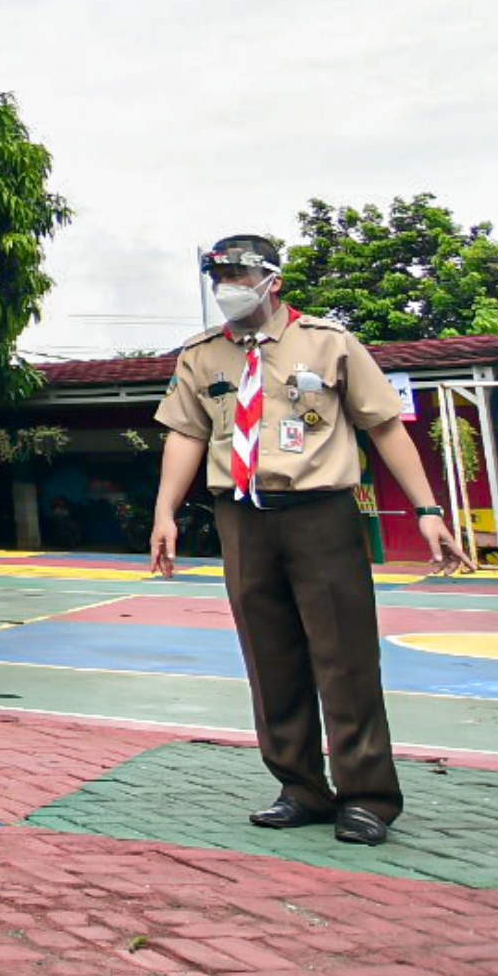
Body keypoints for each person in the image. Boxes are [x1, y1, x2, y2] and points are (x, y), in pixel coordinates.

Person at [150, 233, 472, 847]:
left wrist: (428, 508)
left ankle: (367, 796)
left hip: (320, 513)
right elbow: (185, 435)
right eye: (218, 276)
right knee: (270, 658)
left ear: (273, 279)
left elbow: (384, 426)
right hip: (242, 516)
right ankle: (300, 786)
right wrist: (165, 511)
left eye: (240, 275)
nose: (228, 288)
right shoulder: (202, 355)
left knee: (344, 657)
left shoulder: (329, 342)